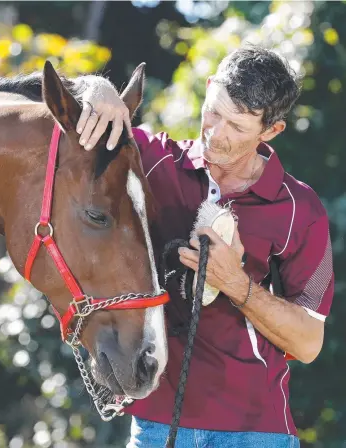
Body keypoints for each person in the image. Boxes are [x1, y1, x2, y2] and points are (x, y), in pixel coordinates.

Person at [76, 45, 334, 448]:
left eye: (237, 126)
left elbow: (308, 343)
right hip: (156, 425)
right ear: (209, 87)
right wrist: (97, 89)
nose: (216, 133)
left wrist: (236, 283)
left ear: (271, 131)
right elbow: (66, 121)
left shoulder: (302, 209)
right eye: (214, 111)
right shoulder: (151, 159)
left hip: (257, 430)